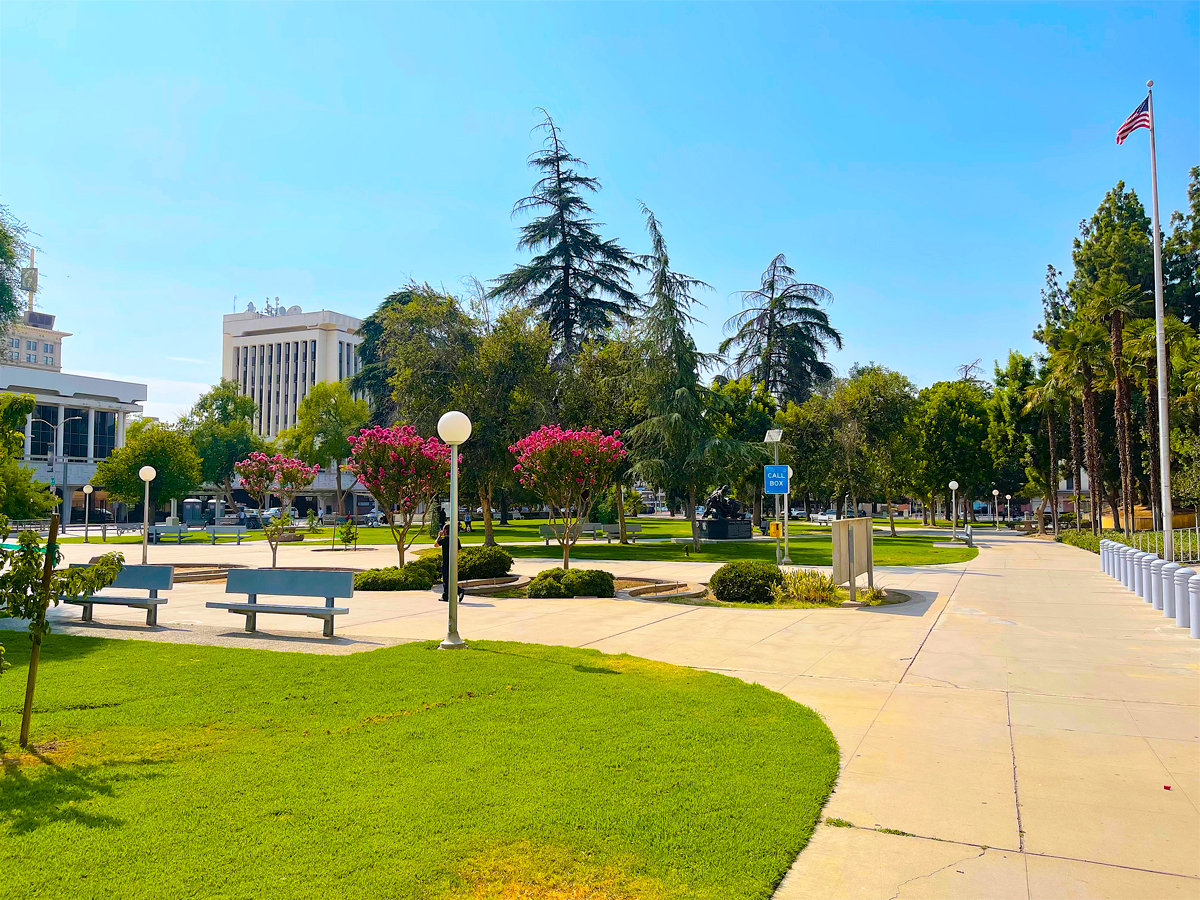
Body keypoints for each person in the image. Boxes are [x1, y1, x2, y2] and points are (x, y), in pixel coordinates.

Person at [436, 524, 465, 603]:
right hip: (453, 562)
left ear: (445, 531)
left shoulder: (444, 539)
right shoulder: (456, 539)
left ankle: (448, 595)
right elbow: (459, 551)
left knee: (446, 579)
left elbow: (436, 544)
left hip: (446, 562)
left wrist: (439, 536)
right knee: (451, 579)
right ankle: (458, 591)